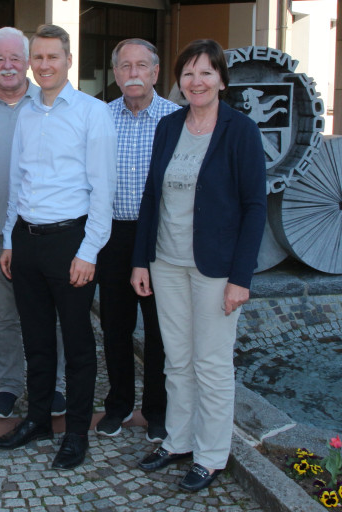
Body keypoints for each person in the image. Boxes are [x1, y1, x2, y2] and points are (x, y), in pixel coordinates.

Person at [131, 39, 266, 492]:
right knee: (177, 360)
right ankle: (178, 441)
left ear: (222, 80)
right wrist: (140, 262)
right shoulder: (169, 126)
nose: (196, 81)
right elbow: (152, 197)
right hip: (166, 263)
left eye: (206, 72)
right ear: (179, 81)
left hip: (216, 270)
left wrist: (240, 280)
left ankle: (211, 456)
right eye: (188, 73)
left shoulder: (240, 131)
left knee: (211, 364)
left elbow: (255, 208)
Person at [0, 25, 117, 471]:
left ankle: (77, 432)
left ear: (68, 60)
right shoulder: (25, 112)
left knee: (78, 343)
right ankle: (38, 419)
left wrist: (89, 251)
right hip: (26, 240)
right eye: (37, 58)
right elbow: (18, 181)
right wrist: (9, 240)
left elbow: (104, 190)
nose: (44, 65)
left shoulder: (91, 113)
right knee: (36, 339)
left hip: (70, 242)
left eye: (52, 57)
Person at [0, 26, 67, 419]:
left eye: (15, 58)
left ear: (27, 63)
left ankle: (53, 384)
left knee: (48, 312)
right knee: (4, 314)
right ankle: (8, 385)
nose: (8, 66)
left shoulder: (49, 103)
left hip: (45, 230)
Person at [95, 38, 180, 443]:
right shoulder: (100, 117)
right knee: (114, 326)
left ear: (155, 73)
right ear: (115, 73)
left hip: (160, 238)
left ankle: (157, 410)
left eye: (141, 65)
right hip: (111, 235)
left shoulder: (176, 119)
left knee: (160, 329)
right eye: (125, 66)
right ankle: (118, 404)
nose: (133, 73)